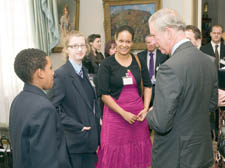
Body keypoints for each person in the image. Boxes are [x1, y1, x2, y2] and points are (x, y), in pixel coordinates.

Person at [145, 8, 218, 168]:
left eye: (155, 36)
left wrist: (149, 114)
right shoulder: (209, 61)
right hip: (201, 153)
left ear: (168, 32)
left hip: (175, 157)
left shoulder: (169, 68)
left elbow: (161, 123)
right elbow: (211, 105)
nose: (154, 42)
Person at [96, 25, 152, 168]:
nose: (124, 45)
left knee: (137, 157)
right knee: (114, 158)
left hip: (138, 118)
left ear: (132, 43)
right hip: (115, 118)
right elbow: (103, 94)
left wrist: (145, 108)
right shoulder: (106, 64)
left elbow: (148, 86)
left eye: (128, 42)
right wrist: (123, 113)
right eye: (121, 41)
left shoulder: (138, 60)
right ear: (115, 40)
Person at [9, 48, 71, 168]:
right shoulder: (44, 108)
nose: (53, 73)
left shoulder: (17, 101)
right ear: (40, 73)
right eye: (50, 68)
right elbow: (47, 159)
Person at [48, 31, 101, 168]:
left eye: (82, 45)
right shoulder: (61, 75)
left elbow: (91, 102)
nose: (79, 49)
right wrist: (78, 126)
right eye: (74, 46)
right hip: (74, 142)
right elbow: (52, 109)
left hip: (89, 141)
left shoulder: (84, 70)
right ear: (67, 49)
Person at [138, 35, 169, 106]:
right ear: (145, 43)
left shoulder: (163, 55)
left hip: (159, 89)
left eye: (152, 42)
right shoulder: (140, 56)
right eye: (148, 42)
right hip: (145, 89)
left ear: (156, 42)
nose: (150, 44)